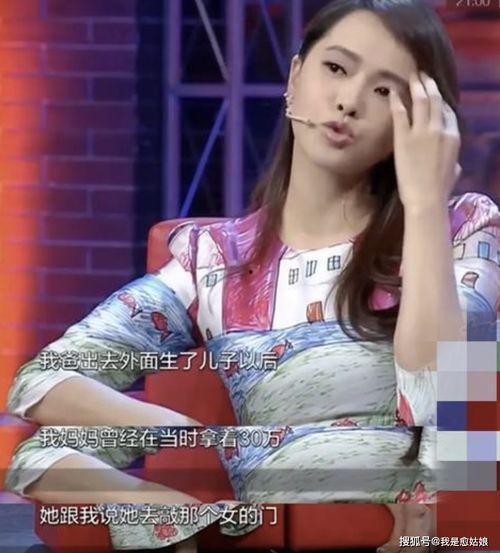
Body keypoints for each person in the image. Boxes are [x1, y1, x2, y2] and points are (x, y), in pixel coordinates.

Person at [5, 0, 500, 551]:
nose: (349, 101)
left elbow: (452, 392)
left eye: (385, 91)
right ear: (294, 78)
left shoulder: (463, 227)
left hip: (428, 532)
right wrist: (184, 445)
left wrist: (425, 202)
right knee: (43, 452)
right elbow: (41, 381)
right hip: (272, 530)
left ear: (426, 121)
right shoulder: (213, 259)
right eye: (336, 68)